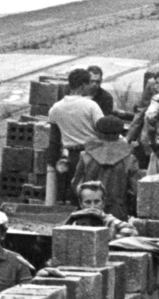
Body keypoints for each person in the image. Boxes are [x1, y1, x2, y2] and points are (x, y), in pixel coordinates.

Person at [46, 68, 104, 205]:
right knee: (93, 193)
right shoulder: (91, 106)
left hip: (71, 157)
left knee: (76, 192)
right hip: (92, 155)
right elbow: (103, 129)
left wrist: (52, 161)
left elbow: (54, 139)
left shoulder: (56, 108)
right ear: (83, 85)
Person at [71, 115, 140, 222]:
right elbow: (135, 190)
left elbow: (76, 184)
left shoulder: (85, 155)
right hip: (118, 211)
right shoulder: (129, 159)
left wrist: (85, 201)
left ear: (98, 132)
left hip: (89, 208)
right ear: (119, 134)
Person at [65, 181, 138, 239]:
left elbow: (132, 232)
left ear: (103, 202)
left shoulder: (109, 220)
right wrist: (70, 219)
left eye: (97, 202)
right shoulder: (75, 221)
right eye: (88, 202)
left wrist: (111, 238)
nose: (92, 207)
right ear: (80, 203)